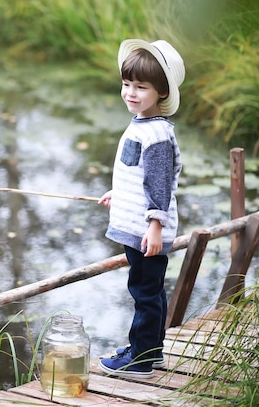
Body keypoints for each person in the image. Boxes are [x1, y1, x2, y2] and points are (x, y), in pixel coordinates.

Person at [97, 39, 185, 378]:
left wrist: (155, 226)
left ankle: (141, 358)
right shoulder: (141, 123)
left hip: (146, 230)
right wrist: (118, 193)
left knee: (144, 292)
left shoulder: (158, 134)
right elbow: (138, 175)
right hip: (139, 224)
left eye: (141, 87)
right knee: (150, 290)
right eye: (126, 84)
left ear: (161, 93)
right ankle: (152, 348)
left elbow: (160, 185)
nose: (131, 93)